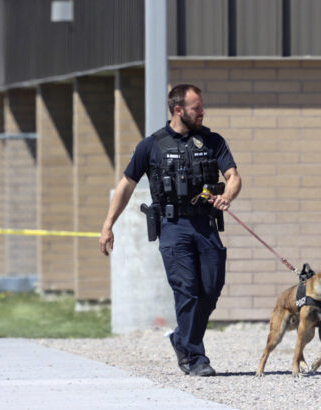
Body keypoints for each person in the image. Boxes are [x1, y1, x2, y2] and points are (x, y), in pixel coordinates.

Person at [99, 84, 242, 377]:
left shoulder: (213, 141)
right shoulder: (151, 145)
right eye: (196, 108)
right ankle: (193, 357)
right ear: (178, 110)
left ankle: (181, 338)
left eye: (201, 107)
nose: (202, 112)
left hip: (206, 224)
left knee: (211, 290)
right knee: (186, 290)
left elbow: (233, 176)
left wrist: (227, 195)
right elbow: (127, 184)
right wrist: (108, 224)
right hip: (173, 227)